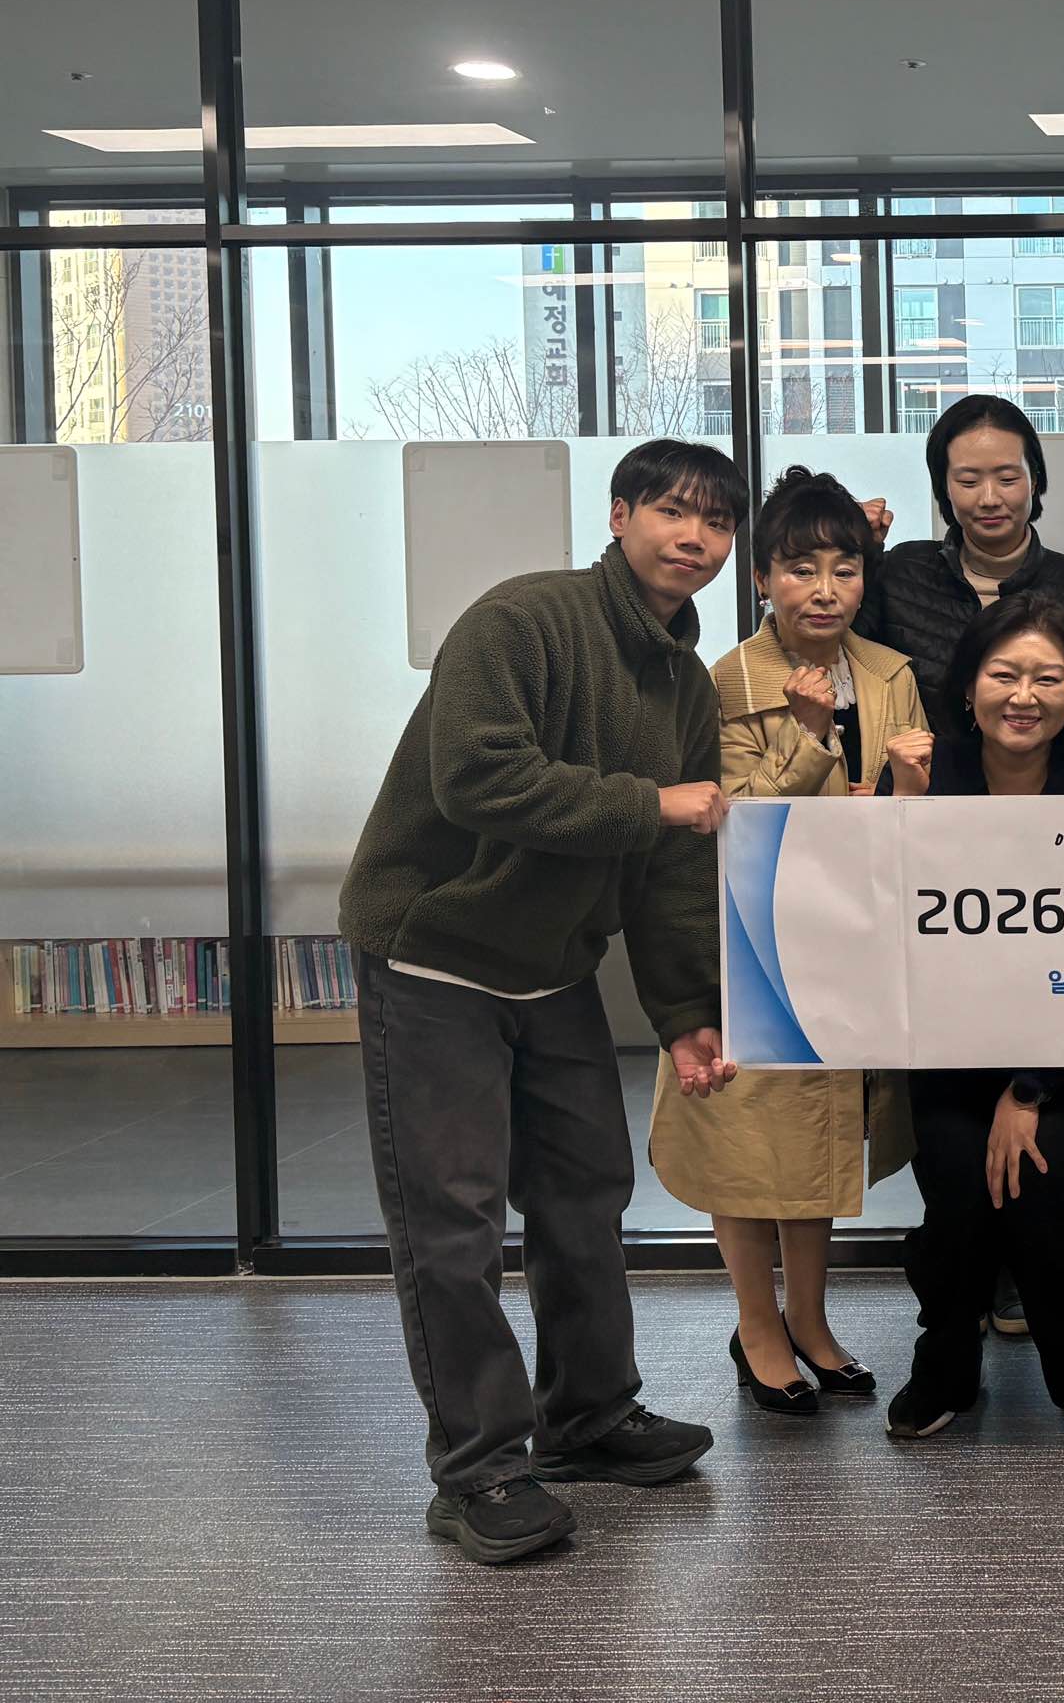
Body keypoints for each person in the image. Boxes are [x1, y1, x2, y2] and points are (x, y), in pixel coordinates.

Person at [339, 439, 742, 1567]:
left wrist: (686, 1011)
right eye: (671, 510)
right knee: (454, 1220)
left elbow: (673, 868)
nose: (694, 538)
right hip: (436, 953)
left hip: (554, 965)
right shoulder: (522, 620)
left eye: (716, 522)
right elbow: (477, 775)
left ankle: (590, 1417)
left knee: (584, 1196)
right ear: (619, 516)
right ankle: (478, 1469)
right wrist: (649, 802)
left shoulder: (684, 683)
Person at [649, 467, 922, 1419]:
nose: (825, 590)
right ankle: (757, 1327)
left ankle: (809, 1318)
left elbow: (913, 818)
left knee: (817, 1136)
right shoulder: (723, 680)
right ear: (763, 578)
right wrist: (808, 741)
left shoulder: (890, 673)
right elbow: (725, 818)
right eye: (801, 569)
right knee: (744, 1141)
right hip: (747, 944)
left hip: (844, 942)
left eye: (845, 568)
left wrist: (900, 797)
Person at [887, 593, 1064, 1446]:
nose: (1024, 696)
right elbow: (882, 915)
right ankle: (944, 1367)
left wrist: (1029, 1088)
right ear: (968, 688)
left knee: (1037, 1197)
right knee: (956, 1200)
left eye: (1047, 679)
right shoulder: (928, 770)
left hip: (1062, 1045)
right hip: (944, 1044)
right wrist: (904, 804)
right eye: (1004, 675)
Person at [855, 393, 1064, 763]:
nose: (990, 498)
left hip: (1052, 792)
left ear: (1035, 480)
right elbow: (843, 667)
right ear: (943, 487)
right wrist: (854, 550)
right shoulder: (901, 573)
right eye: (968, 481)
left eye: (1008, 478)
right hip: (928, 790)